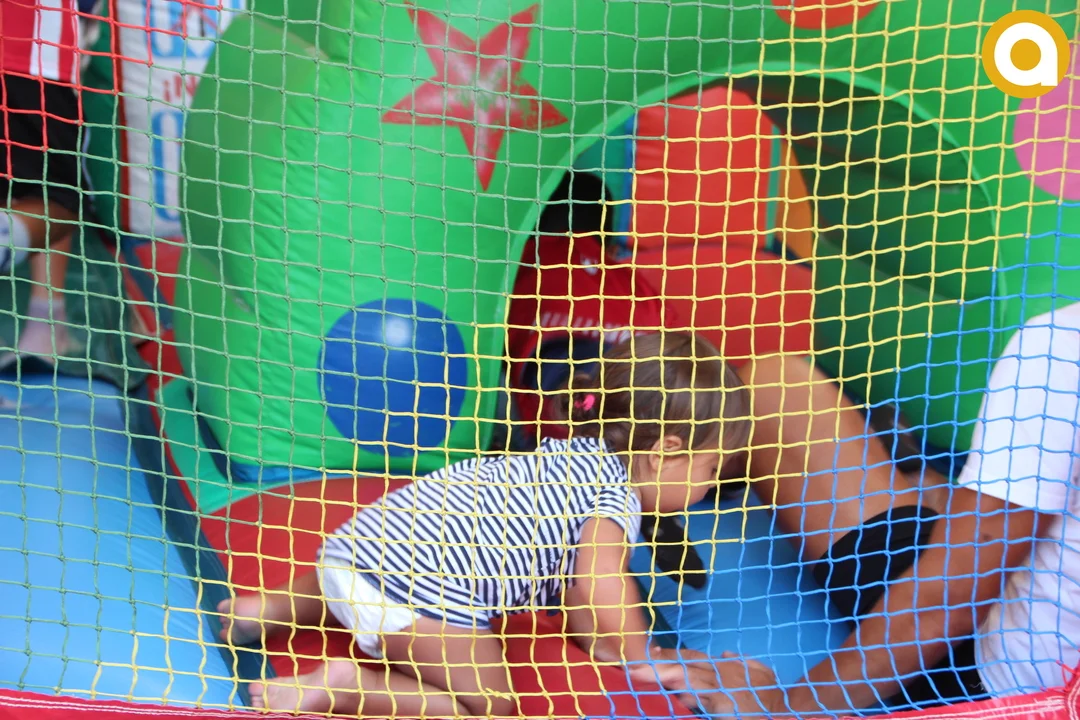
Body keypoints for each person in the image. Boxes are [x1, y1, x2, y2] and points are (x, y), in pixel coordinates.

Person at [216, 330, 759, 717]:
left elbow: (577, 592)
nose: (709, 486)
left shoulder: (570, 456)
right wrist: (640, 656)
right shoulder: (616, 500)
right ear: (665, 452)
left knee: (374, 569)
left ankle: (267, 609)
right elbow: (599, 581)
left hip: (361, 544)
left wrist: (605, 646)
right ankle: (346, 686)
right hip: (416, 593)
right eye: (711, 468)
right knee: (490, 705)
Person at [655, 306, 1080, 716]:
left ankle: (924, 478)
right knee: (781, 385)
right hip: (1012, 600)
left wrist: (782, 709)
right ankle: (927, 479)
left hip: (996, 691)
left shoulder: (1061, 345)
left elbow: (943, 603)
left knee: (774, 388)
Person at [0, 0, 101, 366]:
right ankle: (47, 325)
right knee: (60, 200)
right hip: (32, 51)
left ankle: (47, 326)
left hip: (31, 51)